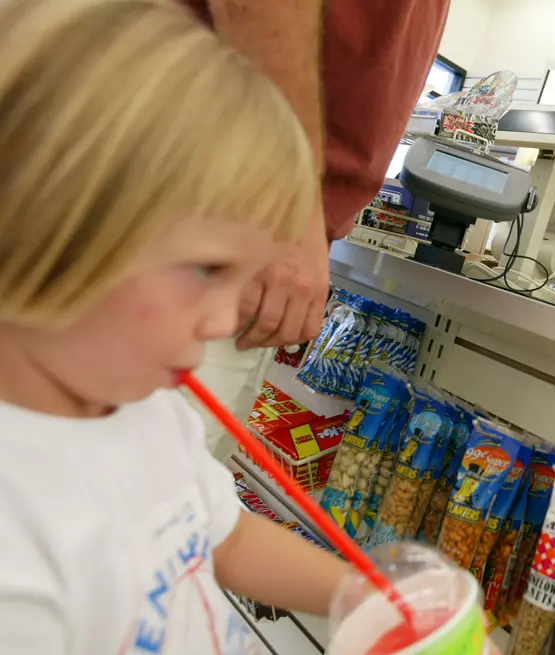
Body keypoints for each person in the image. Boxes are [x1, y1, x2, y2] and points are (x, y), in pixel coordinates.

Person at [0, 1, 350, 651]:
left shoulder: (144, 406)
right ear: (52, 215)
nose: (225, 317)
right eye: (207, 268)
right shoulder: (16, 542)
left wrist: (358, 592)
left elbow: (224, 535)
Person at [181, 0, 451, 459]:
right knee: (138, 494)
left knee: (183, 494)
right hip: (218, 204)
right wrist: (287, 201)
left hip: (239, 208)